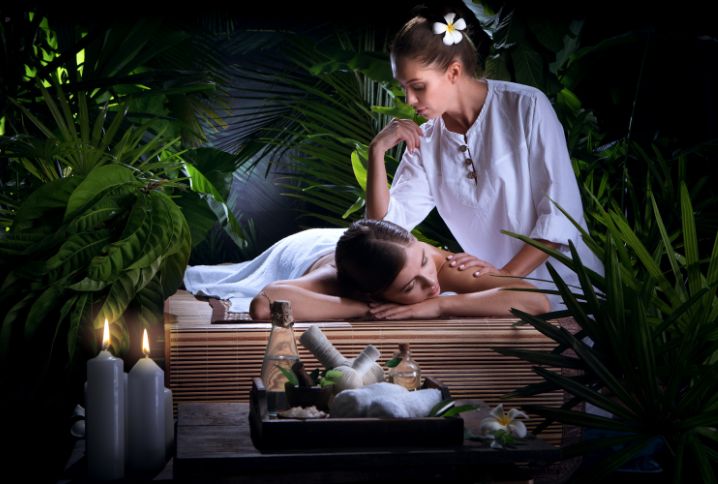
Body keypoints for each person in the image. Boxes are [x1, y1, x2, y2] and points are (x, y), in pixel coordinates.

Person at [366, 5, 603, 310]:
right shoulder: (425, 144)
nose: (409, 100)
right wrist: (376, 151)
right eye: (403, 88)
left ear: (453, 72)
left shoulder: (526, 107)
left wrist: (506, 277)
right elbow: (383, 235)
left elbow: (560, 218)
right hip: (504, 304)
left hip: (574, 294)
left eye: (418, 87)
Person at [246, 219, 548, 320]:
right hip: (303, 247)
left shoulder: (436, 264)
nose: (430, 282)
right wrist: (367, 310)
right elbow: (264, 304)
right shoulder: (337, 278)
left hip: (371, 240)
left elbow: (536, 300)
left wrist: (438, 305)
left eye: (423, 261)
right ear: (371, 293)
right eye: (409, 286)